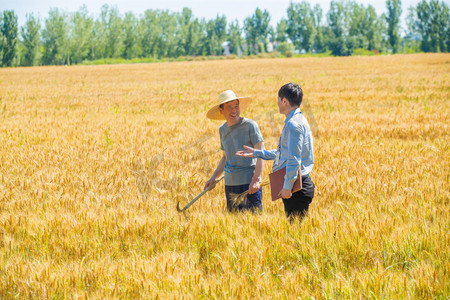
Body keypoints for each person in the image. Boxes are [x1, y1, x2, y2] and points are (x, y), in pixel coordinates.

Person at [236, 82, 315, 221]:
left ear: (284, 101)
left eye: (278, 100)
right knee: (298, 233)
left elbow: (293, 159)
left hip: (297, 189)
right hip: (298, 186)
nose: (277, 103)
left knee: (296, 234)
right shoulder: (298, 120)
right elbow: (284, 154)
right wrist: (257, 153)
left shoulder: (293, 124)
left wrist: (287, 186)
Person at [204, 90, 265, 212]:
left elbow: (261, 154)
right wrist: (213, 178)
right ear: (221, 111)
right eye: (229, 107)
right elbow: (225, 157)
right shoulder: (222, 130)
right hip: (230, 185)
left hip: (250, 184)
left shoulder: (250, 125)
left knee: (254, 224)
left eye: (236, 106)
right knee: (234, 222)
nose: (234, 110)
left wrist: (256, 180)